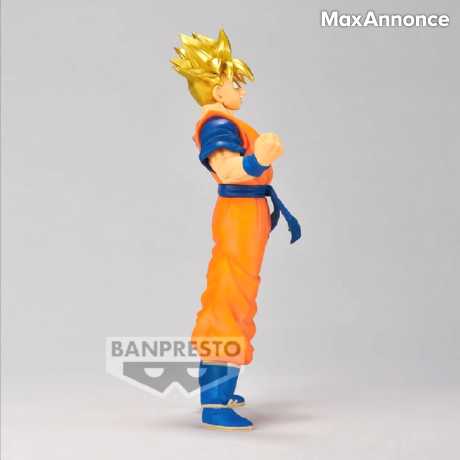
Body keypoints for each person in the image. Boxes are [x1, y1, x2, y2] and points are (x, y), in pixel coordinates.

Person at [171, 29, 300, 431]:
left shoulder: (224, 120)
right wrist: (259, 158)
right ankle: (214, 401)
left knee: (237, 297)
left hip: (248, 212)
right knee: (229, 299)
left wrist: (259, 162)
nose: (242, 91)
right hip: (239, 212)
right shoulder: (216, 123)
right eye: (236, 84)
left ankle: (221, 388)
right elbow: (227, 169)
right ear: (216, 88)